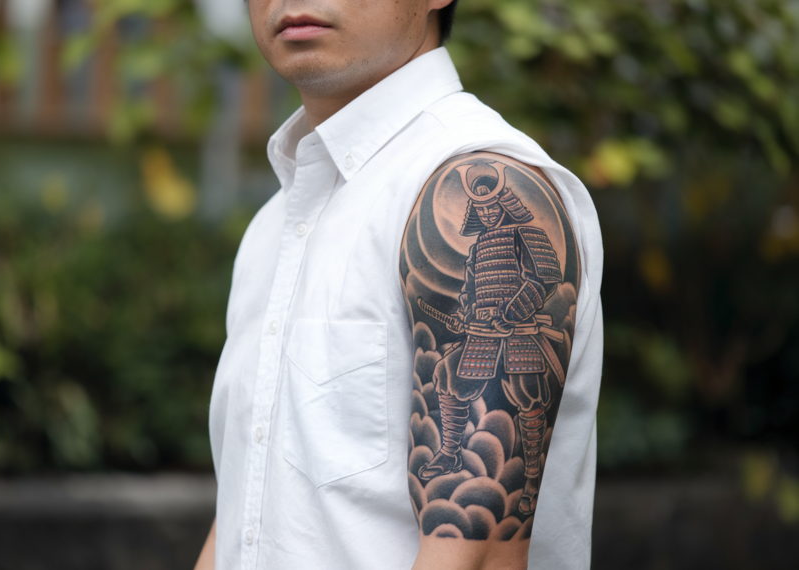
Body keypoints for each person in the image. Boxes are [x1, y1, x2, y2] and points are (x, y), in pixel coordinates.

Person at [195, 0, 603, 569]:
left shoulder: (470, 172)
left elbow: (477, 554)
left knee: (507, 409)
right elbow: (249, 507)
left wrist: (514, 306)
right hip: (482, 322)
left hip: (508, 326)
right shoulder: (275, 222)